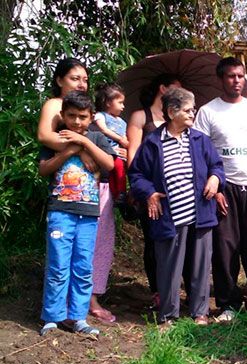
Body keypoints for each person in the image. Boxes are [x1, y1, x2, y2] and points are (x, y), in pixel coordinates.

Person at [129, 87, 225, 327]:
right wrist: (149, 193)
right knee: (169, 266)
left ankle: (199, 312)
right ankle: (168, 315)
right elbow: (137, 174)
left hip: (200, 213)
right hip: (169, 215)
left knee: (200, 266)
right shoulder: (152, 142)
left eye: (193, 109)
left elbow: (217, 165)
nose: (193, 114)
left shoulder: (200, 139)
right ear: (172, 112)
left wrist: (215, 179)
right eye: (188, 110)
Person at [194, 57, 247, 322]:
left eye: (240, 76)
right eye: (231, 76)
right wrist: (214, 188)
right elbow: (200, 154)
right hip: (223, 188)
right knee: (225, 247)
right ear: (221, 79)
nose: (237, 81)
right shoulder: (207, 112)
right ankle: (228, 303)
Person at [38, 91, 115, 336]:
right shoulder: (57, 140)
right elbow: (44, 169)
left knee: (83, 266)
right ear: (63, 116)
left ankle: (78, 317)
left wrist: (84, 143)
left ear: (92, 117)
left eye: (83, 117)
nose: (77, 122)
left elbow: (110, 165)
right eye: (71, 116)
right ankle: (52, 317)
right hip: (61, 211)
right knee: (58, 265)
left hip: (89, 214)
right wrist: (69, 151)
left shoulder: (96, 138)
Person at [126, 74, 182, 310]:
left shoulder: (180, 118)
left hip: (178, 191)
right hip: (150, 189)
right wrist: (137, 187)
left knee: (179, 240)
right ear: (163, 88)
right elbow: (133, 153)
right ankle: (158, 292)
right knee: (153, 240)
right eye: (176, 89)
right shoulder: (141, 116)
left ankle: (176, 291)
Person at [86, 83, 129, 324]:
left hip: (105, 185)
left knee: (101, 240)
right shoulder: (96, 121)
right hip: (79, 189)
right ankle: (71, 298)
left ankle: (91, 297)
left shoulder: (120, 123)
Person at [93, 83, 128, 204]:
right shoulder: (100, 116)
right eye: (120, 102)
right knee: (116, 168)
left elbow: (125, 138)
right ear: (108, 103)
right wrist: (119, 139)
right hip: (107, 150)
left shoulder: (122, 122)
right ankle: (120, 192)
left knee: (117, 170)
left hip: (118, 152)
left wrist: (128, 145)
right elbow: (103, 129)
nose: (123, 106)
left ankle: (117, 194)